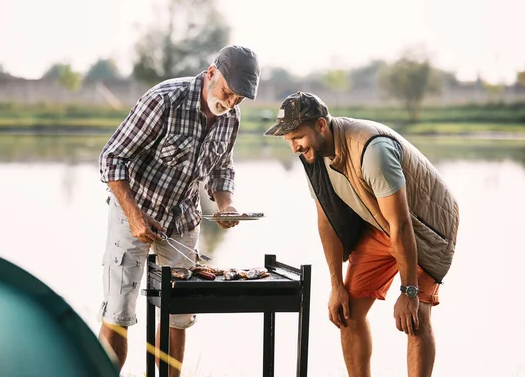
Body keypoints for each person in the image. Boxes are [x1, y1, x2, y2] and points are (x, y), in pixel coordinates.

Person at [264, 91, 459, 377]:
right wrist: (336, 286)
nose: (293, 147)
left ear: (320, 125)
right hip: (381, 224)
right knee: (347, 313)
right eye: (288, 140)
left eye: (297, 137)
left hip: (425, 230)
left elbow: (402, 225)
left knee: (414, 318)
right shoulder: (313, 155)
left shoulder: (372, 150)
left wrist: (409, 291)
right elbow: (326, 221)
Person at [97, 45, 260, 376]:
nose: (230, 103)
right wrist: (133, 215)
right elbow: (111, 158)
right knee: (119, 312)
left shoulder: (232, 118)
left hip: (183, 220)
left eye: (238, 98)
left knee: (179, 314)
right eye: (228, 92)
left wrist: (226, 203)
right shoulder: (164, 99)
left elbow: (222, 169)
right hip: (133, 210)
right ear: (211, 73)